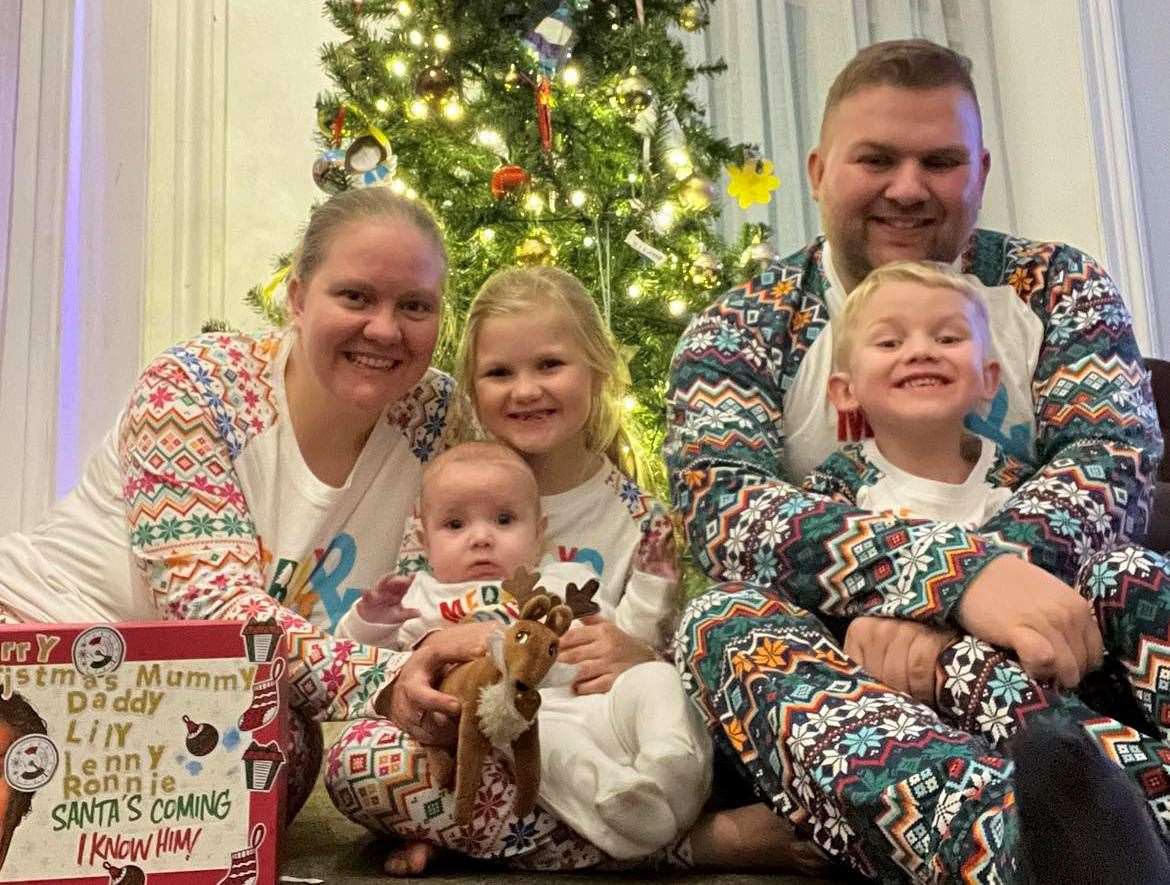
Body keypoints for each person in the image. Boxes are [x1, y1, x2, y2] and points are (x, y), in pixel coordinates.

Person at [666, 38, 1170, 882]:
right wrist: (958, 583)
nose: (908, 187)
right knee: (720, 622)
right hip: (855, 686)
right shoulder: (742, 326)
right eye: (877, 159)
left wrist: (984, 586)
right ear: (821, 168)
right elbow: (727, 508)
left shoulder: (1060, 288)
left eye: (939, 161)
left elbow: (1108, 461)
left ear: (978, 167)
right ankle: (1029, 851)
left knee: (1133, 569)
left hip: (1064, 640)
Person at [327, 266, 819, 875]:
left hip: (610, 715)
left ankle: (634, 799)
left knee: (671, 702)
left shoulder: (639, 516)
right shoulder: (450, 492)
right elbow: (409, 627)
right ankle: (681, 845)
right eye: (499, 372)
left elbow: (669, 645)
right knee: (363, 764)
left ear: (598, 369)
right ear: (472, 388)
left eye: (550, 366)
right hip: (505, 729)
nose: (526, 390)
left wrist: (638, 653)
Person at [0, 187, 466, 819]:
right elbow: (214, 616)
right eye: (355, 296)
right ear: (299, 298)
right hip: (37, 638)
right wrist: (382, 681)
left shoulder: (436, 419)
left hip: (217, 699)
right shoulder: (197, 386)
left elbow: (440, 592)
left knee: (281, 748)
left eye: (414, 306)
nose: (384, 330)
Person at [338, 439, 711, 862]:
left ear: (539, 531)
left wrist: (651, 586)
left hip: (599, 702)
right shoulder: (422, 597)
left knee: (655, 680)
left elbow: (625, 639)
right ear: (425, 539)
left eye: (503, 519)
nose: (481, 538)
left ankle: (672, 760)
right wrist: (371, 618)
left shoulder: (568, 580)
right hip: (522, 728)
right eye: (456, 525)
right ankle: (614, 798)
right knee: (528, 725)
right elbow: (364, 669)